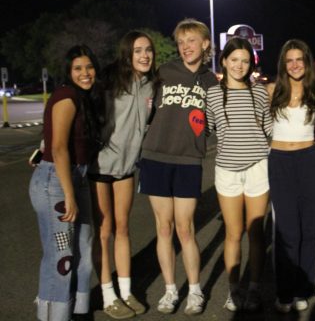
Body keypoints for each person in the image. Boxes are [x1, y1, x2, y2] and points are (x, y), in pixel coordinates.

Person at [138, 18, 218, 315]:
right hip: (155, 157)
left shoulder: (211, 81)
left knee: (186, 229)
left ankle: (195, 291)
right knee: (164, 227)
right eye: (181, 42)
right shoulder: (163, 73)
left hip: (188, 161)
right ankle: (171, 290)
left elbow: (218, 120)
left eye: (192, 41)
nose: (186, 47)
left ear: (205, 44)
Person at [29, 45, 104, 321]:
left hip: (76, 178)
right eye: (78, 68)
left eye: (89, 67)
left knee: (83, 247)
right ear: (68, 72)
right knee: (61, 256)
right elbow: (59, 148)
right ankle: (53, 316)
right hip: (57, 185)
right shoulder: (67, 96)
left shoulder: (83, 97)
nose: (85, 73)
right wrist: (69, 195)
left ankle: (79, 310)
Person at [87, 31, 157, 319]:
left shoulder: (152, 85)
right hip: (100, 167)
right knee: (104, 233)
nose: (144, 55)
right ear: (127, 54)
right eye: (138, 50)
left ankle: (126, 291)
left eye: (148, 50)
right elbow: (83, 111)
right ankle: (107, 295)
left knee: (123, 229)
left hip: (128, 169)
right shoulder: (109, 82)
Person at [206, 37, 272, 312]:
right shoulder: (211, 94)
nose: (239, 65)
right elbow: (205, 129)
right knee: (233, 233)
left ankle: (254, 288)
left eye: (245, 60)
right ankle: (234, 290)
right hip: (226, 171)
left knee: (255, 232)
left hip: (258, 168)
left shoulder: (259, 92)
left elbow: (270, 129)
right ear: (223, 61)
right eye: (234, 60)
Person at [266, 39, 315, 313]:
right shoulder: (271, 90)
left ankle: (304, 288)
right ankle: (284, 292)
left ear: (307, 62)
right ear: (283, 64)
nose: (295, 64)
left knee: (309, 229)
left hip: (308, 160)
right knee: (287, 230)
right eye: (290, 60)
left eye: (300, 59)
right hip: (279, 161)